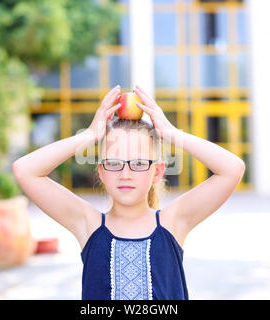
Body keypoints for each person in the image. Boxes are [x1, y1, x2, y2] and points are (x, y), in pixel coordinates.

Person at [13, 84, 246, 300]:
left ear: (157, 172)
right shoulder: (88, 224)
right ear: (101, 172)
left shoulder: (173, 222)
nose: (125, 173)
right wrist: (89, 135)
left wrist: (171, 132)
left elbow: (232, 169)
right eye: (114, 163)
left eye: (138, 163)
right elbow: (25, 170)